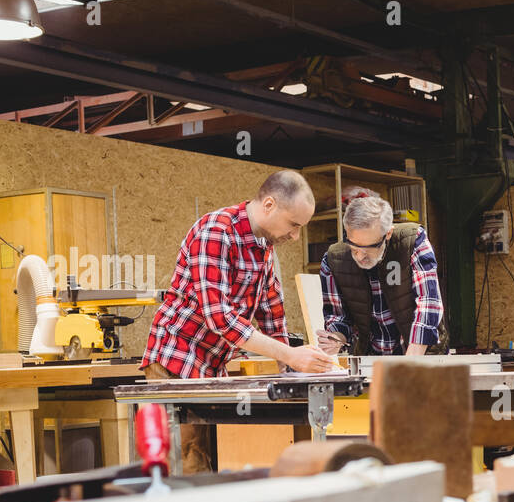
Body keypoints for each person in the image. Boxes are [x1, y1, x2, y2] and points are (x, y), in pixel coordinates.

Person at [140, 170, 332, 470]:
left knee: (206, 460)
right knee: (184, 464)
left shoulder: (264, 247)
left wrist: (291, 370)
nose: (295, 236)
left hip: (212, 365)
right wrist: (291, 355)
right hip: (176, 360)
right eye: (293, 225)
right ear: (269, 205)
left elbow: (272, 313)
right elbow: (219, 318)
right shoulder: (215, 232)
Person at [316, 192, 444, 357]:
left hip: (420, 354)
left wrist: (412, 360)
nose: (360, 256)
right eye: (354, 247)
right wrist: (335, 338)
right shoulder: (334, 259)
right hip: (370, 359)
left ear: (388, 234)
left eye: (369, 248)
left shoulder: (413, 242)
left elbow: (428, 302)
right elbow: (337, 315)